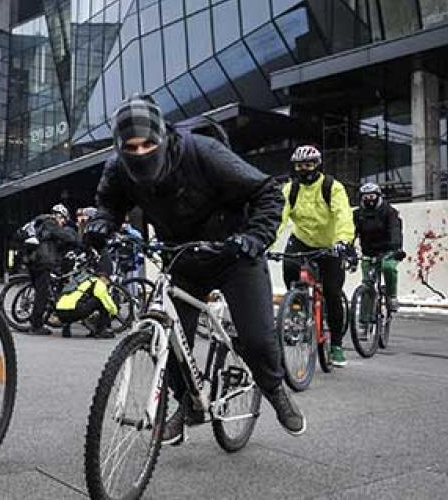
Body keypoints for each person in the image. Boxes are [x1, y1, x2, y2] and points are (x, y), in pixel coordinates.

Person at [85, 94, 305, 443]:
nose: (140, 152)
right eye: (131, 147)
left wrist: (253, 238)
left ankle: (275, 389)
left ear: (162, 136)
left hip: (234, 253)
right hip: (181, 258)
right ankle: (188, 402)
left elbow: (267, 192)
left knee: (257, 340)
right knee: (171, 339)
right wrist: (102, 223)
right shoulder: (117, 169)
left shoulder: (202, 152)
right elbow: (109, 205)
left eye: (147, 144)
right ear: (118, 146)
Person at [278, 145, 355, 367]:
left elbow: (343, 215)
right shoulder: (290, 189)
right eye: (300, 165)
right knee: (290, 267)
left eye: (309, 164)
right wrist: (263, 243)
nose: (305, 169)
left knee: (332, 291)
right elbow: (278, 219)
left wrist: (343, 241)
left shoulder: (332, 187)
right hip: (302, 240)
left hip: (330, 244)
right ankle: (297, 312)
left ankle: (337, 345)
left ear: (317, 165)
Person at [24, 204, 78, 335]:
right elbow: (65, 236)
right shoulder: (50, 223)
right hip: (43, 262)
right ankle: (36, 326)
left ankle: (35, 320)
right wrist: (76, 241)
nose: (63, 223)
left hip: (35, 261)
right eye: (63, 219)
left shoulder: (41, 223)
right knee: (41, 295)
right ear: (59, 216)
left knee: (40, 293)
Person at [353, 183, 404, 311]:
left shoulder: (389, 212)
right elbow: (350, 232)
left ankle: (392, 296)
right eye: (365, 197)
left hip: (388, 251)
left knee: (388, 267)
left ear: (378, 196)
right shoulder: (358, 214)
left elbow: (395, 229)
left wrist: (396, 247)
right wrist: (348, 247)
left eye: (372, 196)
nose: (369, 199)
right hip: (368, 252)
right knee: (367, 284)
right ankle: (364, 322)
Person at [54, 255, 117, 339]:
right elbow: (105, 300)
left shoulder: (81, 281)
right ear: (103, 278)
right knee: (101, 301)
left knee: (77, 300)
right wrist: (114, 312)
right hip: (76, 311)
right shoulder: (97, 282)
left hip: (60, 312)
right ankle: (101, 331)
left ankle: (66, 328)